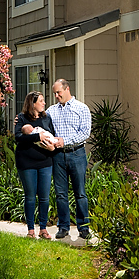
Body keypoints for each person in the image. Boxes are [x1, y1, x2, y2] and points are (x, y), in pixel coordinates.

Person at [47, 78, 92, 240]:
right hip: (58, 156)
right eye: (55, 93)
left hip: (77, 154)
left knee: (80, 193)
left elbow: (84, 133)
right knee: (61, 193)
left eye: (58, 92)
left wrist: (65, 141)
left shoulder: (82, 108)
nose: (56, 96)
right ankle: (63, 227)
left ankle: (84, 227)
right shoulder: (51, 111)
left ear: (67, 89)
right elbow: (40, 123)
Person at [14, 91, 56, 239]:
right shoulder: (21, 118)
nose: (44, 103)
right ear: (33, 103)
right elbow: (18, 137)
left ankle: (43, 229)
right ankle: (31, 230)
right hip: (27, 163)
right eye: (41, 101)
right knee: (30, 196)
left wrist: (53, 146)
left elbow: (52, 134)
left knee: (44, 197)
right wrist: (37, 136)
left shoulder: (46, 118)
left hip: (45, 161)